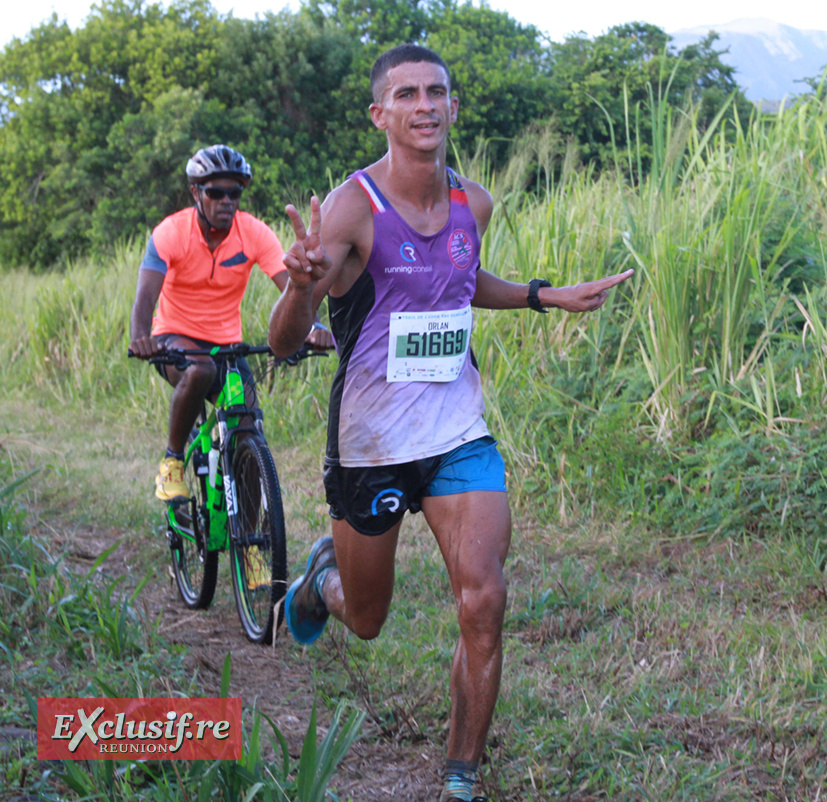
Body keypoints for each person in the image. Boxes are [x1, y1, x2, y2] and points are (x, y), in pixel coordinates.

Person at [267, 44, 633, 802]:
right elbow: (282, 339)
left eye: (437, 91)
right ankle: (320, 579)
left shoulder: (476, 203)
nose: (425, 104)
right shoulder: (350, 208)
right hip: (369, 441)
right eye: (406, 94)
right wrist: (301, 291)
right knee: (367, 621)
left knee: (485, 598)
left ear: (454, 107)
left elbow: (459, 282)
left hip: (456, 430)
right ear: (381, 114)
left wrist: (541, 296)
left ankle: (461, 777)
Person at [128, 144, 333, 502]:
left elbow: (294, 288)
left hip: (227, 345)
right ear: (196, 192)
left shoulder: (252, 232)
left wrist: (312, 326)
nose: (226, 201)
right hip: (175, 339)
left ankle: (253, 549)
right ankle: (172, 461)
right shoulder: (171, 232)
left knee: (248, 427)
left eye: (234, 193)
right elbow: (145, 297)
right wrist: (140, 337)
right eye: (215, 192)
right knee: (200, 371)